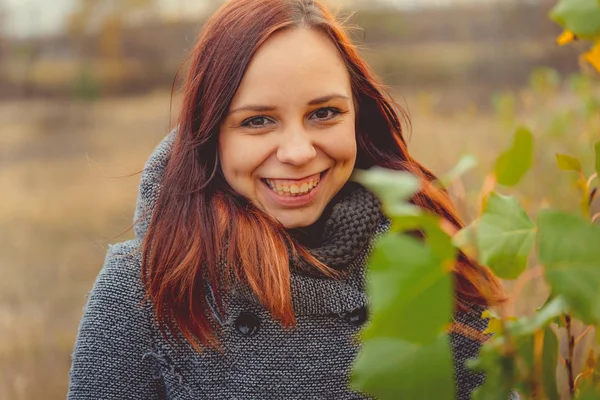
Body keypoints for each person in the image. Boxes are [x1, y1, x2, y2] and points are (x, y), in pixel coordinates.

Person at [67, 0, 507, 399]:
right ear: (210, 137)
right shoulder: (145, 289)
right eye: (258, 120)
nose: (297, 152)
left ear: (360, 116)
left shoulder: (426, 262)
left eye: (324, 113)